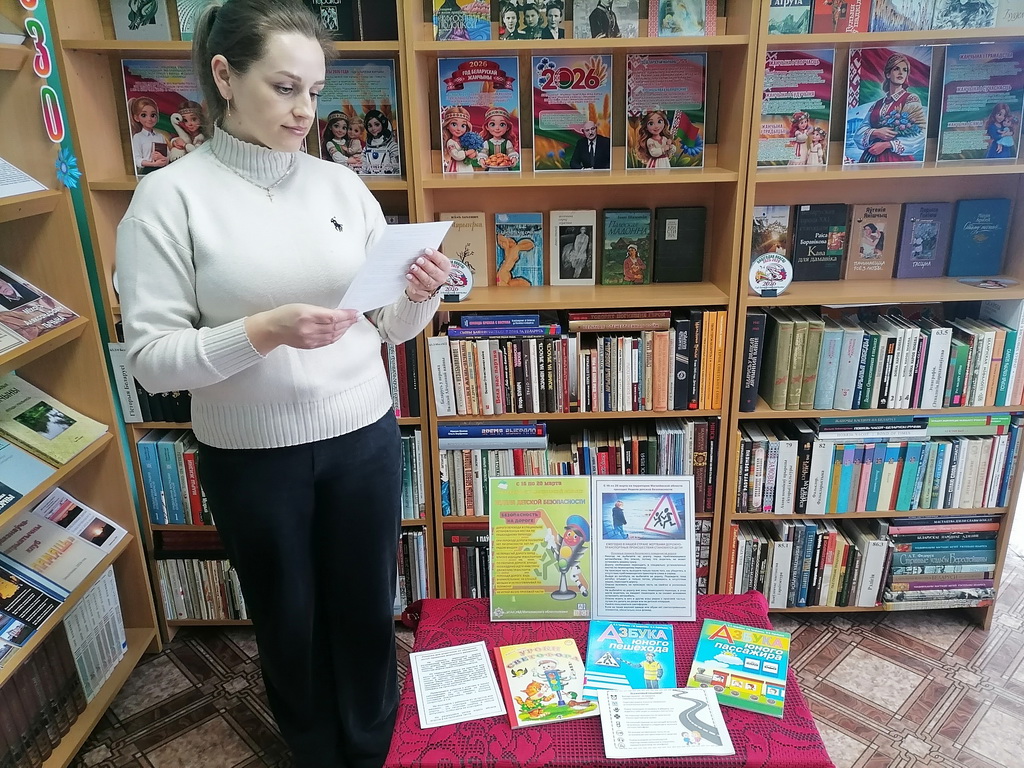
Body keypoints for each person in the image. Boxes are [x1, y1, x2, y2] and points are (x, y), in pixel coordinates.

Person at [115, 2, 451, 767]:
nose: (305, 111)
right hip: (251, 456)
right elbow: (152, 359)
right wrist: (264, 331)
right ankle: (314, 750)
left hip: (362, 436)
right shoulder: (168, 198)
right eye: (285, 87)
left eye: (316, 92)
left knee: (365, 607)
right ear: (225, 76)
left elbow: (390, 326)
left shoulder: (341, 186)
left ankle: (371, 747)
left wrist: (421, 293)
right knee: (288, 619)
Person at [854, 52, 925, 163]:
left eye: (905, 70)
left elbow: (920, 133)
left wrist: (887, 144)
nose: (901, 73)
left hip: (896, 159)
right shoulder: (877, 104)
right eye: (896, 69)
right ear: (888, 74)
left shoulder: (911, 99)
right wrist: (876, 132)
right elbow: (859, 132)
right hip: (871, 156)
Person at [128, 96, 171, 174]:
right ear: (136, 118)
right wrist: (153, 164)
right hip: (147, 171)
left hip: (162, 170)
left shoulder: (160, 136)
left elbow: (168, 155)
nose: (149, 119)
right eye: (144, 115)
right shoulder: (138, 137)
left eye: (153, 115)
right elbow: (137, 159)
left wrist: (163, 159)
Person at [479, 105, 520, 170]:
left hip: (505, 168)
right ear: (487, 127)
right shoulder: (487, 143)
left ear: (507, 127)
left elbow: (511, 152)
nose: (497, 128)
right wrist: (482, 160)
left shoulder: (507, 142)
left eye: (502, 124)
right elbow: (483, 153)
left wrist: (513, 158)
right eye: (492, 124)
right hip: (491, 169)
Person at [362, 108, 400, 175]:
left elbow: (397, 169)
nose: (373, 128)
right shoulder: (366, 148)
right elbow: (363, 169)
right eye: (370, 126)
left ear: (383, 124)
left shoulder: (392, 146)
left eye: (377, 124)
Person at [441, 105, 477, 173]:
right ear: (447, 125)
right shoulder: (450, 142)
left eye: (463, 125)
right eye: (454, 124)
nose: (458, 129)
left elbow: (474, 152)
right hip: (456, 168)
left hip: (467, 167)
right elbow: (456, 155)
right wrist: (468, 152)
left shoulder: (466, 139)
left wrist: (474, 154)